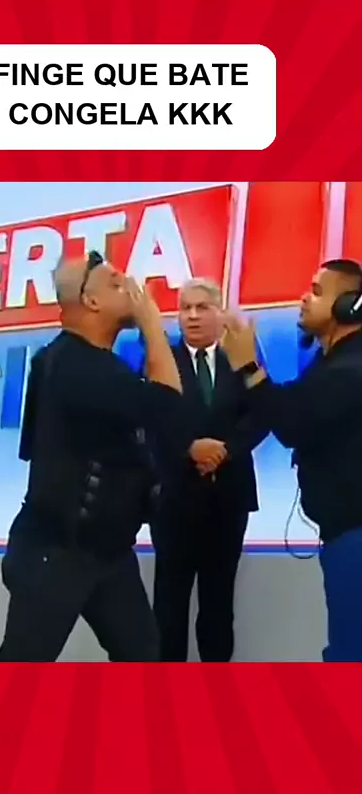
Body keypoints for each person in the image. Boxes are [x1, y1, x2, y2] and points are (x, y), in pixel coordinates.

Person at [0, 251, 211, 662]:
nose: (131, 288)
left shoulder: (80, 363)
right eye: (115, 283)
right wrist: (152, 324)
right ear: (90, 300)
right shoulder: (76, 365)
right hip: (58, 550)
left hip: (106, 549)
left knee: (142, 654)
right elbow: (169, 409)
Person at [221, 258, 362, 662]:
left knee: (349, 654)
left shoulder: (352, 368)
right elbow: (291, 406)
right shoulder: (330, 361)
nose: (304, 298)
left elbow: (293, 423)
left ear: (350, 305)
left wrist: (248, 366)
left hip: (354, 537)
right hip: (343, 535)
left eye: (317, 291)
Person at [150, 279, 269, 662]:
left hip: (228, 499)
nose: (192, 316)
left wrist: (225, 451)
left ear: (219, 312)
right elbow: (151, 420)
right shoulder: (160, 360)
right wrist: (189, 448)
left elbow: (261, 414)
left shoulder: (243, 358)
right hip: (174, 501)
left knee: (218, 604)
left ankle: (215, 690)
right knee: (169, 606)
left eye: (202, 307)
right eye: (185, 308)